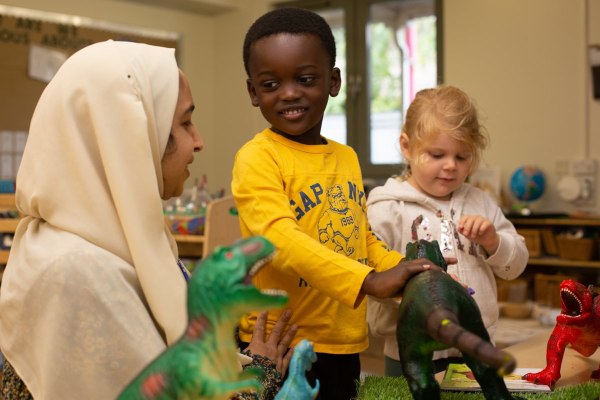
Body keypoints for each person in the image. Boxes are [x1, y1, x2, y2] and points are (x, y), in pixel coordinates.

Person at [0, 40, 296, 400]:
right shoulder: (77, 276)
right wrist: (261, 374)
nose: (198, 141)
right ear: (129, 138)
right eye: (185, 122)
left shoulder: (115, 244)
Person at [232, 7, 437, 400]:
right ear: (253, 92)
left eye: (305, 79)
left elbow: (358, 239)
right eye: (271, 84)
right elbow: (280, 239)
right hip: (280, 344)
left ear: (333, 81)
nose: (289, 92)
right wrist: (368, 281)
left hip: (343, 344)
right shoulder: (257, 157)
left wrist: (406, 273)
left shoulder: (346, 158)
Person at [366, 85, 529, 376]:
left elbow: (515, 265)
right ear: (406, 147)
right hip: (411, 350)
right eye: (437, 154)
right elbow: (370, 277)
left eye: (462, 157)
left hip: (476, 349)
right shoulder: (387, 207)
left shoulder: (480, 202)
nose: (450, 166)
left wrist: (494, 242)